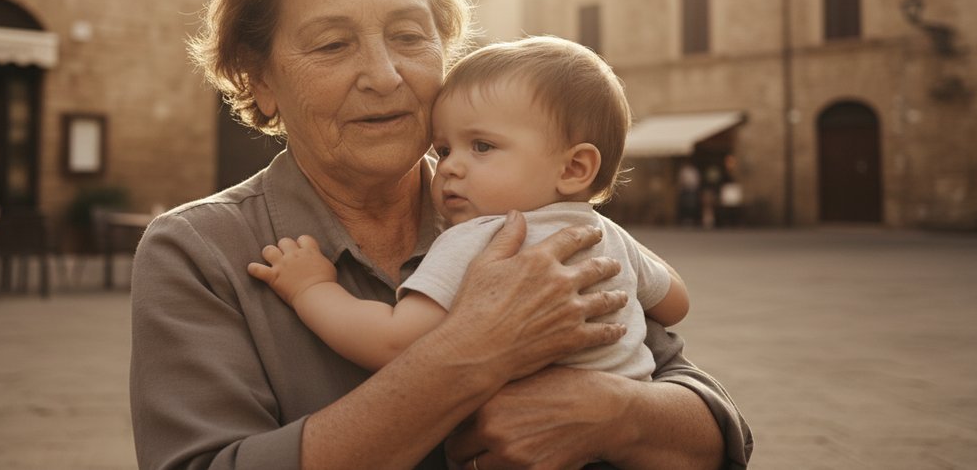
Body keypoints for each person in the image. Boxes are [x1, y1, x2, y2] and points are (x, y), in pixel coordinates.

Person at [129, 0, 752, 470]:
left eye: (408, 36)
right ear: (258, 79)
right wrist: (473, 353)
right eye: (331, 45)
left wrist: (612, 413)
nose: (384, 74)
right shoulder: (198, 252)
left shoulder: (520, 207)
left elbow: (716, 429)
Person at [250, 37, 690, 380]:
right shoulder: (606, 236)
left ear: (575, 167)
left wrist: (311, 289)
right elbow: (674, 303)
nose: (451, 167)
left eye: (482, 146)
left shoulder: (479, 239)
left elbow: (393, 343)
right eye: (443, 149)